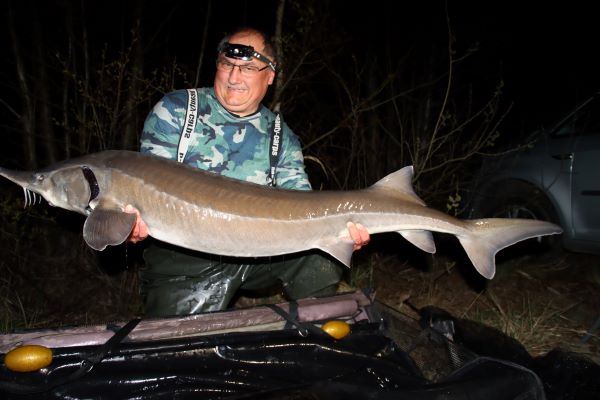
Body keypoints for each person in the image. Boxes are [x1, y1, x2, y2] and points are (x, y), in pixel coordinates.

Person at [126, 27, 370, 317]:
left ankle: (313, 329)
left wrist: (340, 231)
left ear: (270, 75)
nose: (234, 77)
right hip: (184, 257)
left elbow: (303, 206)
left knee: (321, 256)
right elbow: (145, 187)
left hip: (259, 252)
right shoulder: (176, 110)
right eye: (227, 64)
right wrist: (130, 221)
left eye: (249, 68)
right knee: (181, 342)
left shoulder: (282, 136)